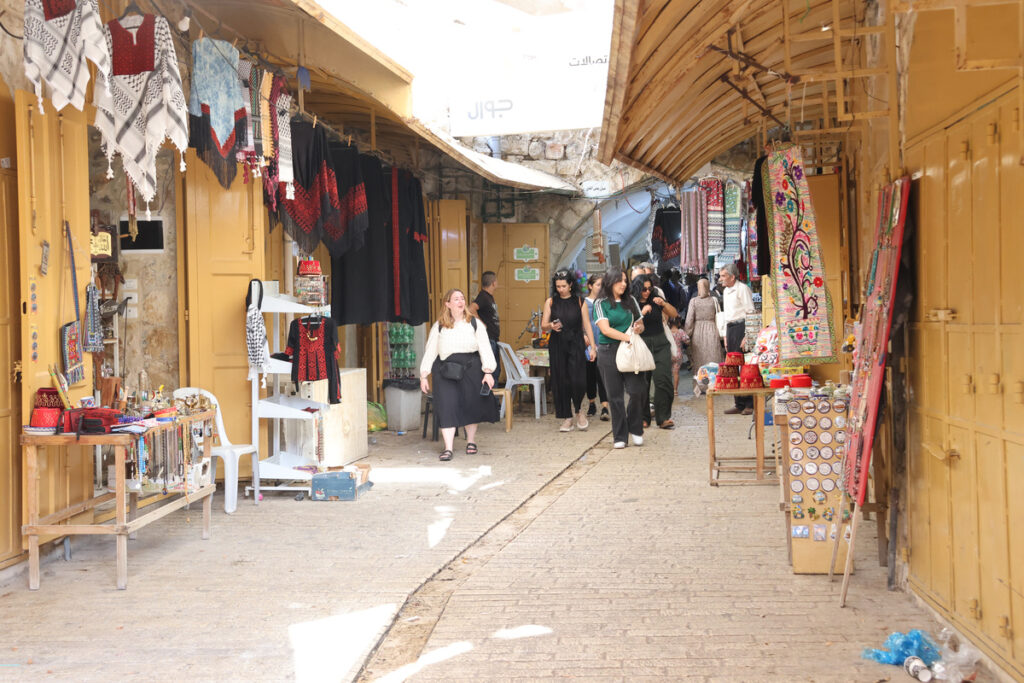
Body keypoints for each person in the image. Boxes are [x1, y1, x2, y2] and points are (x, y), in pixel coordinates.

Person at [420, 289, 498, 461]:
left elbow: (485, 347)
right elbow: (431, 351)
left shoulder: (474, 323)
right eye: (456, 299)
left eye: (462, 298)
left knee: (471, 404)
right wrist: (424, 375)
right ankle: (448, 448)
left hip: (471, 368)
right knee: (447, 406)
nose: (460, 302)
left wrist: (488, 372)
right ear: (447, 304)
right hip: (445, 370)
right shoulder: (439, 325)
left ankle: (471, 441)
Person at [594, 266, 647, 449]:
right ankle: (620, 436)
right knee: (615, 396)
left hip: (630, 350)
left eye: (626, 281)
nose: (624, 284)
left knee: (637, 390)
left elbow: (640, 324)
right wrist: (628, 337)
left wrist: (638, 329)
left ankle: (636, 428)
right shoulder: (600, 303)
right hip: (608, 350)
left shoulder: (631, 300)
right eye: (620, 281)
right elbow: (605, 329)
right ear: (610, 282)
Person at [542, 270, 598, 432]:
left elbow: (587, 325)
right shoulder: (551, 302)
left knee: (578, 380)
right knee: (561, 381)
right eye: (558, 286)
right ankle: (567, 417)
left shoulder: (579, 302)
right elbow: (544, 325)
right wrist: (551, 326)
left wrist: (592, 347)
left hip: (576, 343)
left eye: (564, 286)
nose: (561, 289)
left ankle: (579, 410)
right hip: (558, 344)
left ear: (571, 285)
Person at [631, 273, 678, 429]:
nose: (647, 292)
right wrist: (642, 312)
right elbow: (628, 323)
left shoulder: (656, 299)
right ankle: (643, 417)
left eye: (649, 288)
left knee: (663, 380)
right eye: (644, 289)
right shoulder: (632, 302)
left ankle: (663, 417)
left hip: (660, 343)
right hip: (642, 344)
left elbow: (674, 314)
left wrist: (663, 303)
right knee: (642, 383)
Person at [719, 263, 756, 415]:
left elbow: (751, 312)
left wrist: (748, 336)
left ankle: (749, 403)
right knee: (732, 366)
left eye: (723, 276)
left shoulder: (742, 289)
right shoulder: (726, 291)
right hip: (731, 329)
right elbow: (727, 315)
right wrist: (726, 336)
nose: (721, 279)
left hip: (742, 328)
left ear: (732, 277)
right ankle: (738, 403)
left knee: (746, 366)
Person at [684, 278, 724, 380]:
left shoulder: (693, 301)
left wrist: (687, 334)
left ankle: (701, 383)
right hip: (712, 329)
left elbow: (689, 319)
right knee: (714, 355)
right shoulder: (714, 300)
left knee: (699, 359)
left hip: (697, 332)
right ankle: (716, 381)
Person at [583, 274, 609, 421]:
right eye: (598, 284)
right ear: (590, 286)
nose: (600, 288)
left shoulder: (605, 303)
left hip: (603, 341)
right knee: (590, 375)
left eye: (602, 285)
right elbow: (579, 322)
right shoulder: (584, 303)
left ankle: (605, 406)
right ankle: (592, 403)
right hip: (588, 343)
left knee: (603, 375)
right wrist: (583, 335)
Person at [469, 271, 500, 362]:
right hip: (488, 339)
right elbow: (471, 309)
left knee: (495, 369)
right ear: (493, 283)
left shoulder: (488, 297)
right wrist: (481, 323)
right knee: (491, 369)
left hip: (492, 338)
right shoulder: (483, 296)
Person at [668, 316, 690, 395]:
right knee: (676, 373)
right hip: (678, 353)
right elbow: (687, 340)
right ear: (678, 323)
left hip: (669, 354)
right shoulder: (680, 331)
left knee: (668, 373)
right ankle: (675, 391)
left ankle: (668, 390)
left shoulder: (667, 332)